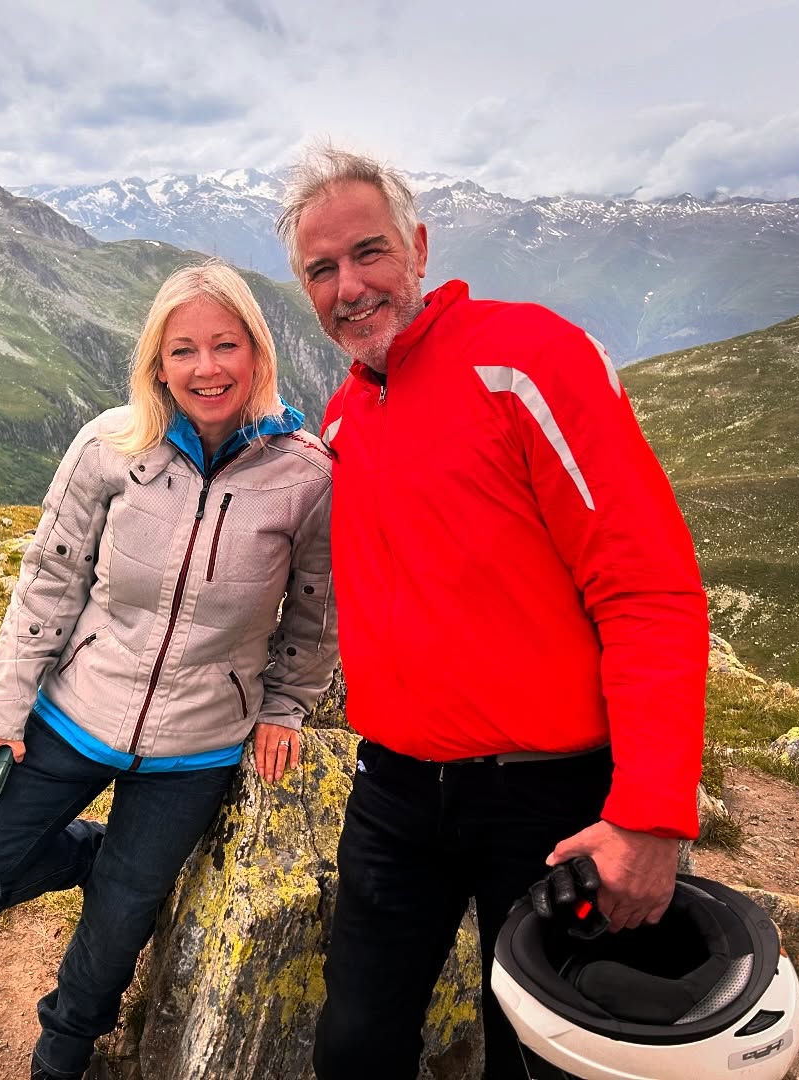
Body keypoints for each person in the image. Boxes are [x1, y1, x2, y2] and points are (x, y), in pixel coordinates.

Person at [275, 146, 709, 1079]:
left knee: (540, 1055)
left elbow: (650, 589)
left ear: (419, 249)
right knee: (353, 1048)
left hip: (547, 799)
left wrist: (650, 815)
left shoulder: (529, 360)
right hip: (393, 792)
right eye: (322, 269)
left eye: (369, 253)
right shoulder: (343, 422)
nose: (349, 287)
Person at [0, 261, 338, 1080]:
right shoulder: (111, 445)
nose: (206, 368)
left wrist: (285, 706)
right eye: (184, 350)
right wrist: (4, 706)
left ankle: (62, 1054)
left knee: (119, 925)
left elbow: (317, 612)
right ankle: (93, 858)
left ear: (257, 352)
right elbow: (50, 577)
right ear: (158, 362)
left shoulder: (306, 475)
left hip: (199, 746)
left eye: (225, 345)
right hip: (70, 713)